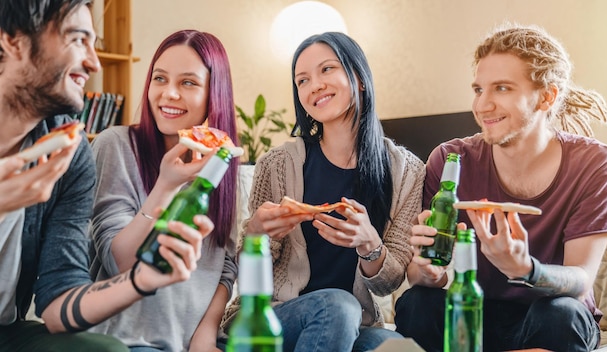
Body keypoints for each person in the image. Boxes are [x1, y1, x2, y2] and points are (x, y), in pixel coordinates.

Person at [394, 23, 607, 352]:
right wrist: (427, 270)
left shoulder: (596, 164)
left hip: (547, 316)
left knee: (563, 314)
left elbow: (580, 280)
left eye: (501, 88)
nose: (482, 105)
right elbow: (421, 274)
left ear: (547, 97)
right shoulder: (450, 159)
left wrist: (525, 269)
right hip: (473, 310)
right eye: (478, 89)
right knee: (416, 303)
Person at [0, 2, 215, 351]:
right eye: (78, 40)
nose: (93, 62)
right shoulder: (115, 144)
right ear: (14, 42)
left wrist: (141, 280)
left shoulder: (69, 153)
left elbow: (58, 302)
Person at [221, 32, 425, 352]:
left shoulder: (407, 171)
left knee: (399, 348)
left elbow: (389, 283)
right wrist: (258, 234)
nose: (314, 85)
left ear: (358, 78)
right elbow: (248, 277)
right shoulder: (277, 165)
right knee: (337, 306)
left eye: (326, 70)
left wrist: (370, 245)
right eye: (302, 80)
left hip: (356, 323)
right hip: (276, 318)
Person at [88, 29, 239, 352]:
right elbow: (121, 263)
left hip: (197, 343)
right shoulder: (114, 145)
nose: (168, 94)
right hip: (129, 340)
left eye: (188, 83)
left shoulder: (223, 158)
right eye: (159, 79)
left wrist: (205, 337)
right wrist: (166, 184)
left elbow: (224, 266)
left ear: (215, 94)